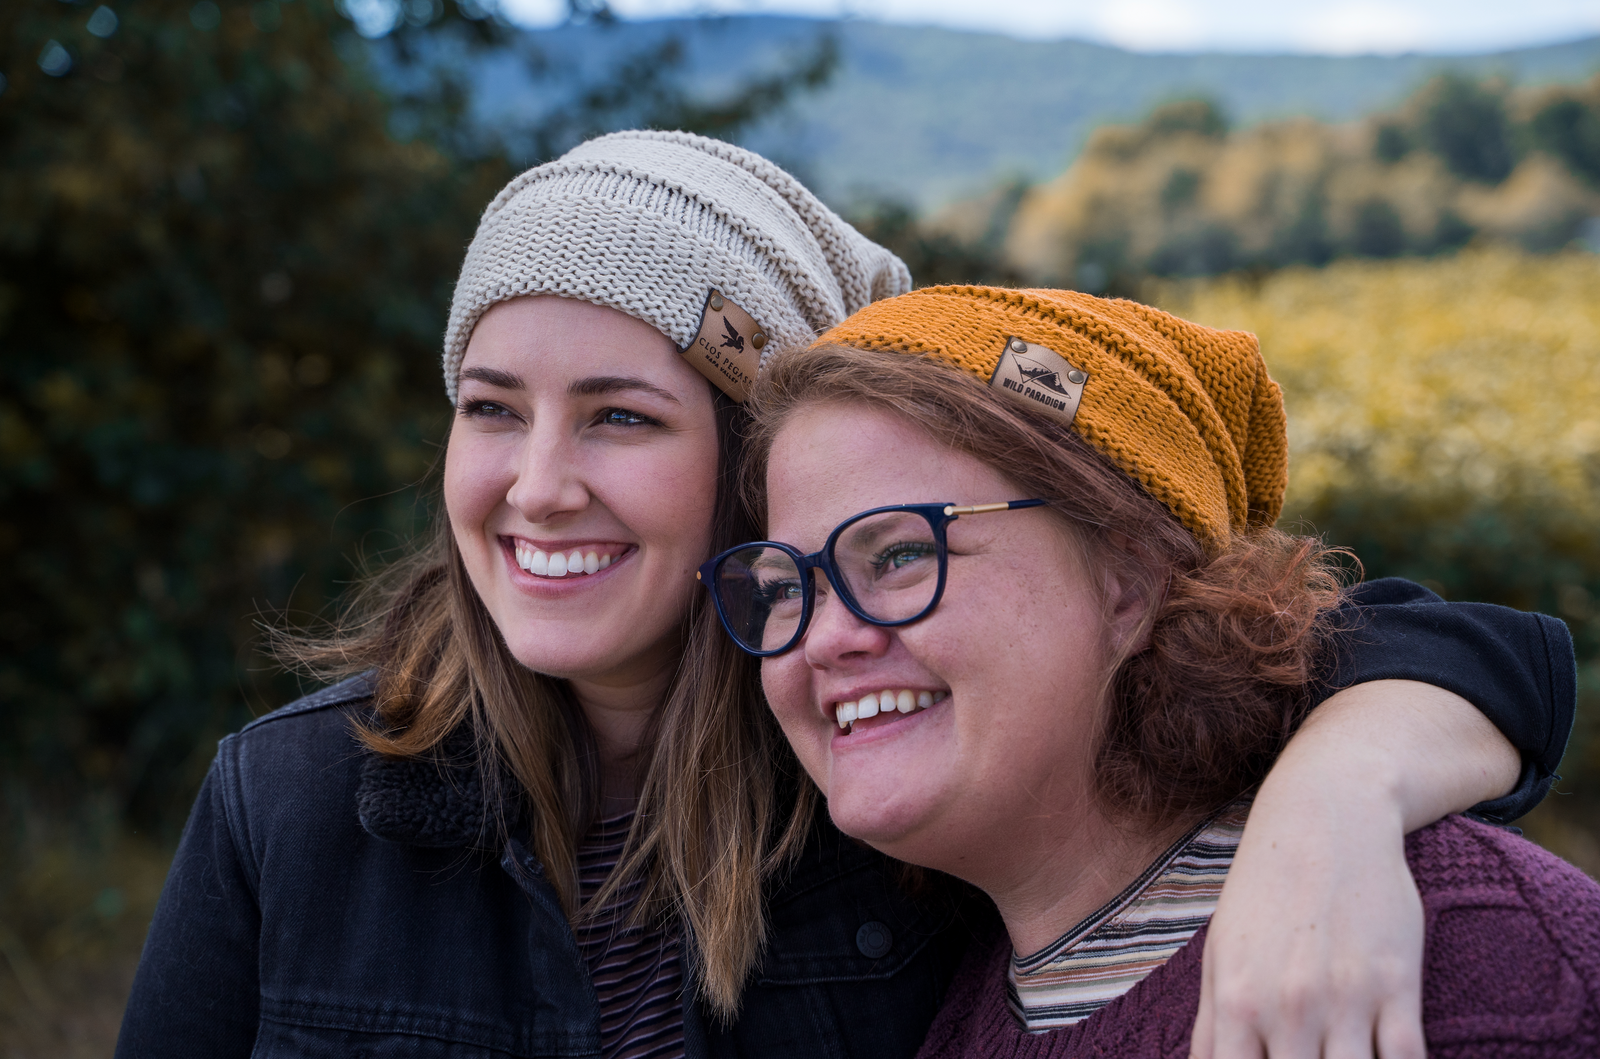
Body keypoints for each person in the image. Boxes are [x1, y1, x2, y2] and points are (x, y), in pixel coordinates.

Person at [116, 133, 1575, 1059]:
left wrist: (1335, 795)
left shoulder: (889, 787)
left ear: (763, 473)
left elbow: (1372, 643)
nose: (538, 484)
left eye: (621, 415)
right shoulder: (295, 800)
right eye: (491, 407)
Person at [710, 284, 1598, 1058]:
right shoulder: (955, 1006)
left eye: (901, 554)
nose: (824, 638)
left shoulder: (1477, 964)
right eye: (786, 587)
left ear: (1129, 584)